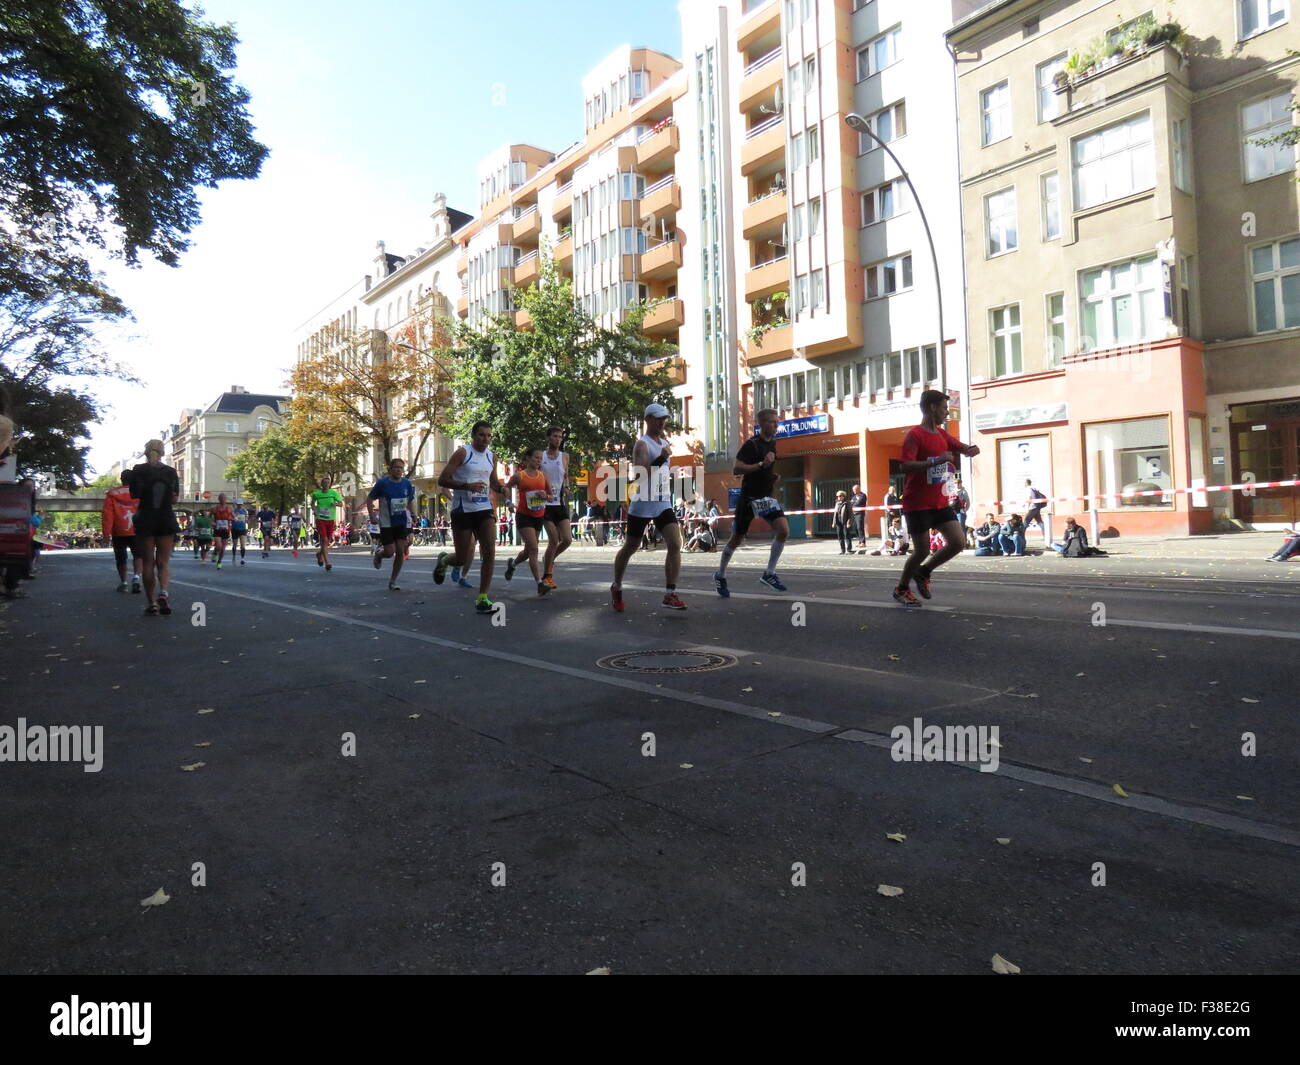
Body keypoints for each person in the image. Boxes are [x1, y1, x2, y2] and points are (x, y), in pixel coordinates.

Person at [892, 390, 981, 606]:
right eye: (943, 408)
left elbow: (959, 446)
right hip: (917, 503)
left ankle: (924, 572)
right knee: (921, 549)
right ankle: (902, 589)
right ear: (932, 408)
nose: (946, 413)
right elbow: (905, 465)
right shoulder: (915, 435)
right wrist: (935, 461)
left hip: (939, 502)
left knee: (958, 542)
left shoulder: (941, 434)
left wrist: (969, 450)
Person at [609, 403, 686, 612]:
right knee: (630, 547)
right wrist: (662, 457)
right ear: (648, 419)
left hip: (662, 502)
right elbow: (641, 476)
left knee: (675, 543)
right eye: (658, 418)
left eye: (664, 418)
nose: (662, 422)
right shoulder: (641, 445)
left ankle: (670, 594)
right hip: (642, 503)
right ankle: (617, 585)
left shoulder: (664, 442)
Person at [433, 421, 511, 613]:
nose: (485, 439)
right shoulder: (463, 453)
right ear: (473, 436)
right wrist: (466, 486)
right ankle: (444, 560)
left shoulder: (491, 456)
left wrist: (502, 489)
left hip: (484, 508)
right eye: (481, 435)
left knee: (489, 552)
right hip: (462, 510)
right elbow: (443, 480)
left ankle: (483, 598)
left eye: (489, 435)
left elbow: (492, 481)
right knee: (461, 558)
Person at [714, 408, 789, 597]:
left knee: (783, 530)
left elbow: (764, 469)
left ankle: (769, 574)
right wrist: (761, 465)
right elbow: (737, 469)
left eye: (777, 421)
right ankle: (720, 574)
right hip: (749, 499)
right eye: (772, 421)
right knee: (737, 538)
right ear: (762, 423)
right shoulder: (752, 444)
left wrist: (771, 475)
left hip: (766, 497)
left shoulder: (773, 443)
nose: (776, 425)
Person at [128, 439, 181, 616]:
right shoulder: (171, 472)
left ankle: (151, 603)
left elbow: (134, 494)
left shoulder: (138, 471)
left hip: (146, 518)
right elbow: (174, 499)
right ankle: (164, 593)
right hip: (165, 518)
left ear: (146, 451)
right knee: (163, 562)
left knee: (148, 562)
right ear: (162, 452)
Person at [502, 447, 552, 595]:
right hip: (524, 516)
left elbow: (551, 496)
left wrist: (546, 496)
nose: (539, 461)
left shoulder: (543, 476)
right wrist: (508, 503)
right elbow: (505, 489)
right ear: (528, 459)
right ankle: (539, 583)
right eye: (536, 458)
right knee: (534, 549)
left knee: (528, 550)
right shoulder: (519, 476)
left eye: (540, 458)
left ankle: (513, 564)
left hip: (538, 516)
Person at [366, 458, 416, 591]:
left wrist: (413, 514)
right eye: (396, 467)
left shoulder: (406, 483)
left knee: (400, 552)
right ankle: (379, 555)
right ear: (390, 469)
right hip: (387, 522)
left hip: (401, 522)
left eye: (401, 468)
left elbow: (410, 500)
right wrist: (372, 515)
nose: (399, 470)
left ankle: (392, 581)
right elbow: (370, 498)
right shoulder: (382, 483)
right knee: (389, 552)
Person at [538, 426, 574, 591]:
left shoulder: (565, 456)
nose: (558, 439)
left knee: (567, 540)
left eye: (560, 437)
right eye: (555, 436)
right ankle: (547, 576)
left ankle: (548, 558)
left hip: (559, 504)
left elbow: (565, 475)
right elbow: (534, 476)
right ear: (548, 438)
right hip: (545, 505)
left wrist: (566, 487)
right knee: (553, 540)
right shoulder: (541, 456)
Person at [102, 470, 142, 593]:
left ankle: (123, 582)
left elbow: (108, 515)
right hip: (137, 530)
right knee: (138, 555)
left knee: (120, 558)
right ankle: (136, 577)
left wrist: (106, 533)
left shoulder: (112, 494)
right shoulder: (140, 493)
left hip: (118, 531)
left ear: (121, 479)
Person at [310, 475, 343, 572]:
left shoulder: (334, 493)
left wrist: (336, 504)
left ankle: (319, 554)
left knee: (327, 542)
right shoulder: (316, 494)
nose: (326, 485)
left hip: (331, 519)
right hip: (320, 519)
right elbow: (312, 504)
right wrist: (314, 510)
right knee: (324, 539)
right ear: (322, 485)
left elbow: (341, 504)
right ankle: (327, 562)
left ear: (329, 485)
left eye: (328, 483)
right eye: (324, 483)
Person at [210, 493, 234, 569]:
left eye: (224, 498)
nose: (223, 500)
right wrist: (212, 523)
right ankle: (215, 552)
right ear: (219, 499)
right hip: (217, 529)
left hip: (226, 530)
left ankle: (219, 562)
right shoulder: (214, 508)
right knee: (219, 546)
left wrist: (233, 519)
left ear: (226, 499)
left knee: (223, 549)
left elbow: (234, 517)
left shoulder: (229, 508)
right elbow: (209, 517)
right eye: (221, 498)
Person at [848, 484, 868, 550]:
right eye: (853, 490)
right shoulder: (854, 497)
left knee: (860, 527)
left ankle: (863, 542)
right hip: (854, 514)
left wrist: (854, 504)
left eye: (855, 489)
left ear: (859, 489)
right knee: (855, 527)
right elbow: (851, 504)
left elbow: (858, 503)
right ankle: (860, 541)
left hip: (860, 514)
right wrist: (853, 504)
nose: (854, 491)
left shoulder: (863, 495)